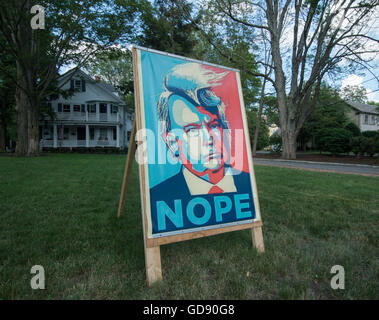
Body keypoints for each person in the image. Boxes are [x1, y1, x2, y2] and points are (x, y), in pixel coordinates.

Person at [150, 62, 252, 200]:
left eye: (214, 125)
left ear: (224, 130)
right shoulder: (159, 197)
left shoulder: (247, 185)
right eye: (192, 129)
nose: (209, 138)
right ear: (172, 142)